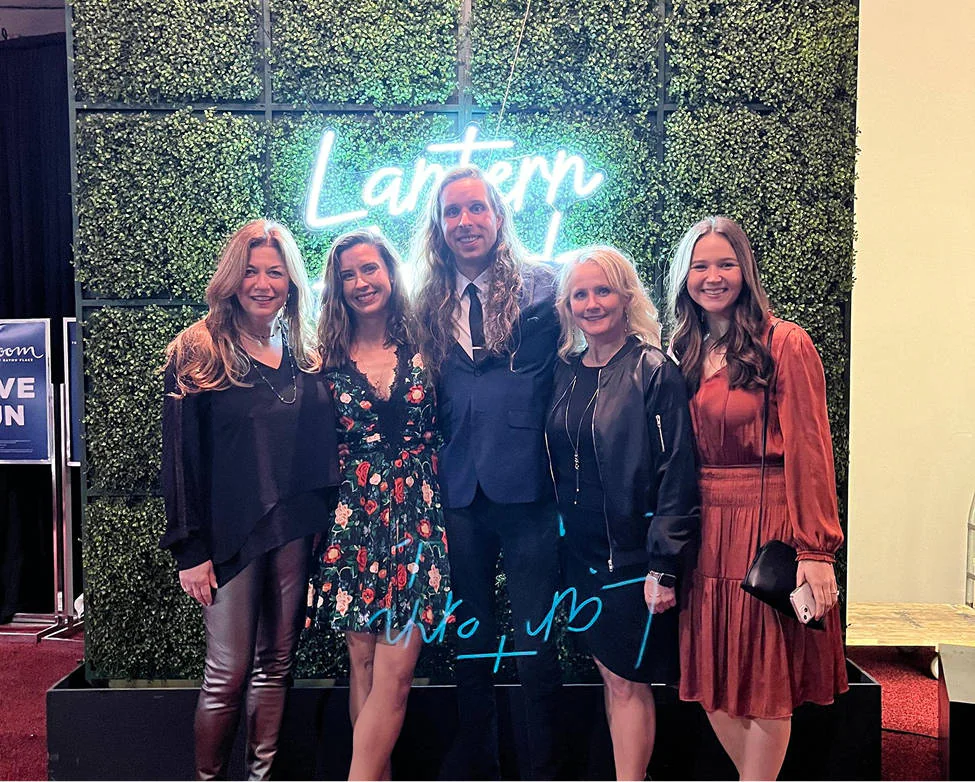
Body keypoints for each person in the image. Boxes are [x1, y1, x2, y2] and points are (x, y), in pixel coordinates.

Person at [667, 216, 849, 780]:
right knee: (712, 679)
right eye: (700, 266)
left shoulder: (784, 342)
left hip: (765, 525)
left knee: (764, 676)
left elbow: (811, 450)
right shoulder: (684, 350)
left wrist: (816, 551)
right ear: (684, 277)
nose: (713, 276)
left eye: (725, 263)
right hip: (705, 530)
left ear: (745, 270)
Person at [159, 219, 341, 780]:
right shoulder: (198, 349)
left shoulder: (307, 350)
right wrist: (190, 549)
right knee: (227, 673)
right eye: (252, 272)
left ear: (291, 280)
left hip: (297, 529)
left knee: (276, 667)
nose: (263, 284)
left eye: (275, 272)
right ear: (233, 278)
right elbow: (180, 459)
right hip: (229, 537)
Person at [412, 165, 563, 780]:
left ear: (498, 216)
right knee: (469, 643)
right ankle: (480, 767)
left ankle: (544, 771)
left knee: (536, 645)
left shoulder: (544, 287)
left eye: (476, 209)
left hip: (531, 490)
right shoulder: (425, 299)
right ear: (439, 225)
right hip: (459, 492)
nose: (465, 222)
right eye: (452, 212)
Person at [545, 246, 699, 780]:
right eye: (580, 293)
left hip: (633, 562)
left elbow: (677, 474)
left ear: (626, 296)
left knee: (628, 681)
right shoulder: (565, 371)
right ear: (567, 304)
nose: (592, 303)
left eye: (602, 290)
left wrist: (664, 565)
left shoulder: (653, 369)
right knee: (612, 678)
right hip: (582, 559)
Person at [307, 229, 451, 781]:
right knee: (362, 664)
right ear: (336, 287)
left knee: (396, 670)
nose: (361, 282)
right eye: (348, 275)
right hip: (353, 521)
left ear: (390, 272)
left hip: (418, 517)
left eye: (369, 269)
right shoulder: (323, 360)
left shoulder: (428, 347)